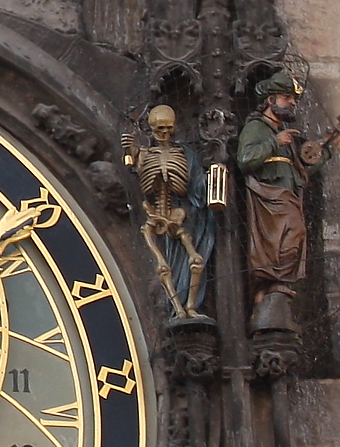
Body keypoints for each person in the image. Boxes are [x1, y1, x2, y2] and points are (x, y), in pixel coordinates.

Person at [237, 70, 336, 328]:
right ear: (270, 101)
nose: (291, 103)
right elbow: (245, 160)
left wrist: (329, 148)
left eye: (292, 99)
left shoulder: (284, 133)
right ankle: (267, 287)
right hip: (267, 198)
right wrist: (273, 141)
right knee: (289, 234)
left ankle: (274, 286)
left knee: (293, 235)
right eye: (285, 97)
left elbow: (300, 170)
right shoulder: (256, 128)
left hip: (286, 196)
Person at [122, 105, 214, 321]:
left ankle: (190, 306)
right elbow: (134, 173)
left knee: (195, 259)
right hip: (154, 215)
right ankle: (178, 308)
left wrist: (213, 178)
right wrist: (131, 151)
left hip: (181, 214)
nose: (164, 133)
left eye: (168, 128)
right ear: (152, 129)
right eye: (159, 128)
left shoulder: (186, 155)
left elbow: (196, 182)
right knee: (163, 266)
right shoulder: (144, 154)